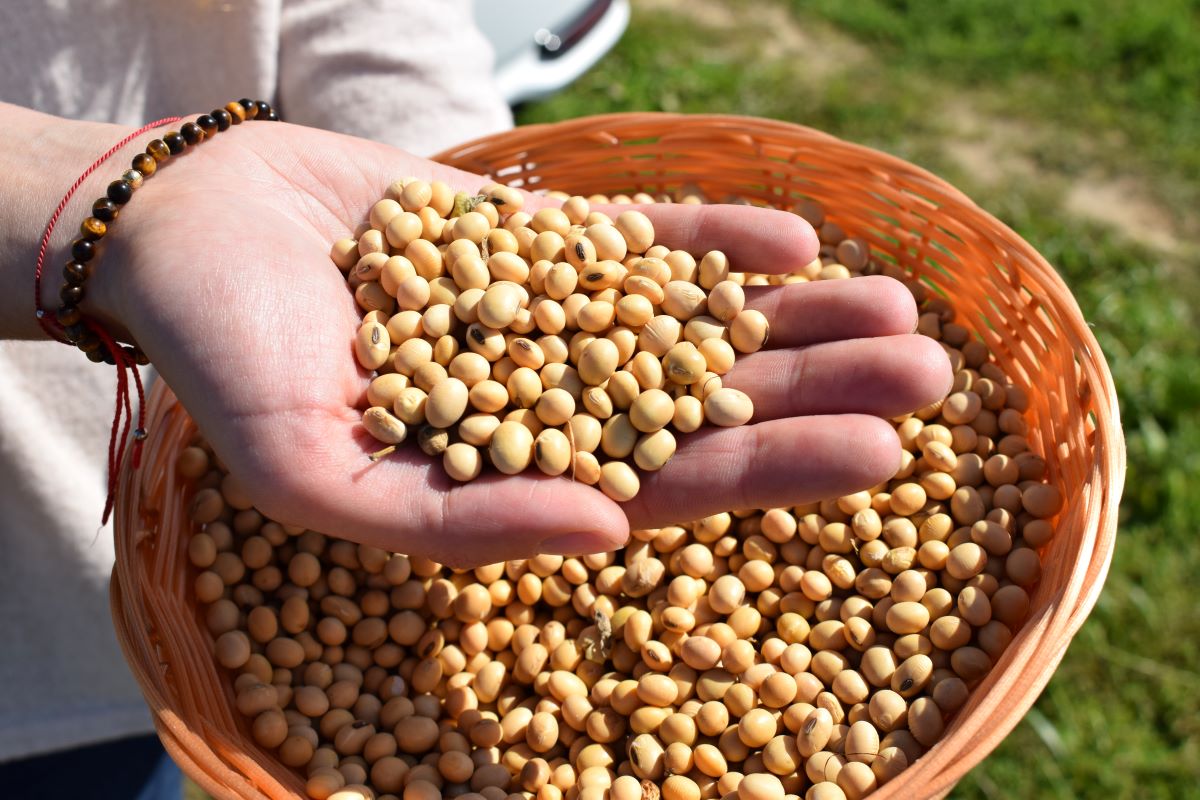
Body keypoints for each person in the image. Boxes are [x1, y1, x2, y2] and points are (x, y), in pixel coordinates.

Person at [0, 1, 952, 797]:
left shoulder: (482, 300)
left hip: (162, 525)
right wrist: (92, 208)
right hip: (35, 626)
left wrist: (451, 164)